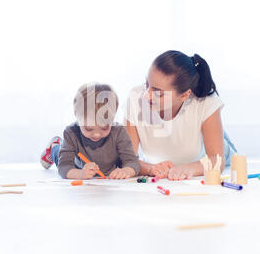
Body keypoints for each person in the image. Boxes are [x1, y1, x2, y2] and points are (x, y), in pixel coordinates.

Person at [124, 50, 237, 181]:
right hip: (169, 154)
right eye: (147, 84)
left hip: (212, 153)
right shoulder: (135, 98)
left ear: (184, 95)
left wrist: (188, 169)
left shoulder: (205, 102)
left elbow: (217, 160)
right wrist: (151, 168)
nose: (145, 95)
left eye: (158, 93)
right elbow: (127, 159)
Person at [40, 82, 140, 180]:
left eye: (105, 128)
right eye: (88, 128)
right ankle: (54, 146)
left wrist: (127, 171)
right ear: (77, 116)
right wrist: (81, 174)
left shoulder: (119, 132)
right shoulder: (71, 133)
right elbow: (63, 167)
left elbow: (133, 162)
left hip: (105, 176)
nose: (96, 134)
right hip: (77, 166)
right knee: (59, 156)